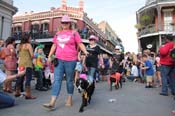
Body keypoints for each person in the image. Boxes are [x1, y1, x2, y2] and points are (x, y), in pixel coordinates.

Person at [43, 15, 88, 110]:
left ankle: (69, 98)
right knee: (57, 80)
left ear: (69, 23)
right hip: (59, 59)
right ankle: (52, 102)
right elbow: (54, 45)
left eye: (66, 23)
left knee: (69, 81)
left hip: (71, 60)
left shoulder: (74, 33)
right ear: (61, 23)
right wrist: (49, 56)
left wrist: (85, 51)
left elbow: (80, 43)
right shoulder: (58, 34)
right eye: (63, 22)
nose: (64, 24)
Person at [14, 34, 36, 99]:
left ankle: (17, 92)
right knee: (28, 79)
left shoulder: (19, 46)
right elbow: (32, 55)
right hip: (28, 64)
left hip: (21, 64)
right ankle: (28, 94)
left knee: (20, 78)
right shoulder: (28, 45)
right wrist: (35, 56)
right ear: (27, 39)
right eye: (30, 38)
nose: (30, 39)